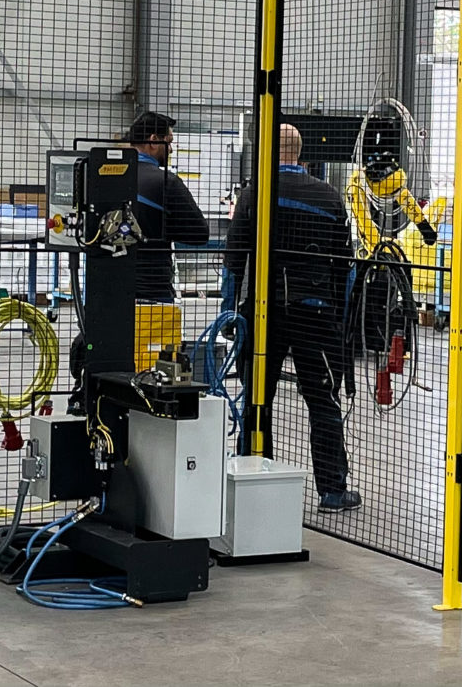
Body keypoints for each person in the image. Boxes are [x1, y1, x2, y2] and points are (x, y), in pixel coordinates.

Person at [227, 125, 361, 513]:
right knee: (322, 400)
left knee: (257, 398)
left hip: (263, 312)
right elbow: (345, 268)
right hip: (315, 314)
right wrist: (341, 321)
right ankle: (332, 491)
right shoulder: (329, 196)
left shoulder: (254, 193)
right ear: (301, 154)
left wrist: (230, 315)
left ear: (268, 151)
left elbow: (233, 263)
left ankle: (255, 479)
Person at [125, 110, 210, 303]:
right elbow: (200, 233)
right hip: (153, 292)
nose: (170, 150)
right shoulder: (165, 182)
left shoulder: (105, 177)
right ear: (154, 140)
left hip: (107, 291)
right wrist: (163, 227)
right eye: (169, 142)